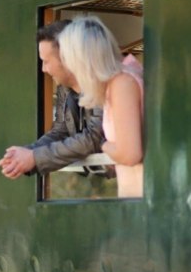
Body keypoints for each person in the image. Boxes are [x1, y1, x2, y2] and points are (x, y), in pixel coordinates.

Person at [0, 20, 104, 179]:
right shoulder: (65, 88)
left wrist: (34, 157)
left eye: (46, 61)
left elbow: (94, 138)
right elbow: (60, 131)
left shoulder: (102, 83)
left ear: (67, 59)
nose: (43, 69)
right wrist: (28, 153)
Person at [58, 16, 144, 198]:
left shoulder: (122, 83)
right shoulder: (123, 78)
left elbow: (129, 154)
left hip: (140, 197)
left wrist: (105, 145)